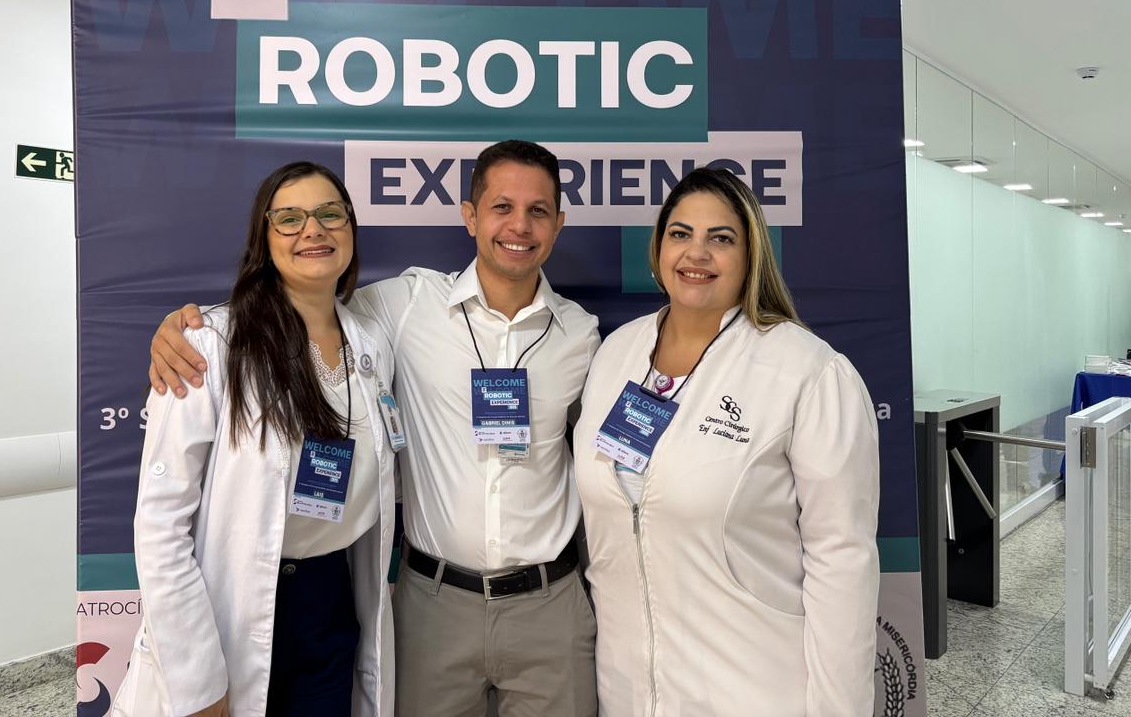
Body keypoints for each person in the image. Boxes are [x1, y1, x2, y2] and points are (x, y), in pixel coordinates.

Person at [150, 141, 601, 717]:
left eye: (538, 210)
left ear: (559, 224)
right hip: (435, 603)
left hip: (545, 603)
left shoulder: (582, 335)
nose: (519, 225)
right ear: (470, 216)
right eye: (501, 207)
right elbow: (298, 296)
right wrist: (184, 328)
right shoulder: (405, 306)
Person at [573, 167, 880, 717]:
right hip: (628, 691)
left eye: (721, 238)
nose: (697, 253)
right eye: (680, 233)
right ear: (658, 247)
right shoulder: (616, 354)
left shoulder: (807, 371)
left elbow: (842, 559)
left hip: (753, 690)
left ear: (750, 255)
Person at [114, 162, 397, 717]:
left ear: (350, 227)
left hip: (330, 603)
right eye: (289, 218)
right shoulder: (211, 343)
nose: (312, 230)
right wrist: (196, 678)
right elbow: (161, 522)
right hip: (233, 605)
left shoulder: (373, 343)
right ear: (264, 239)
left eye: (330, 214)